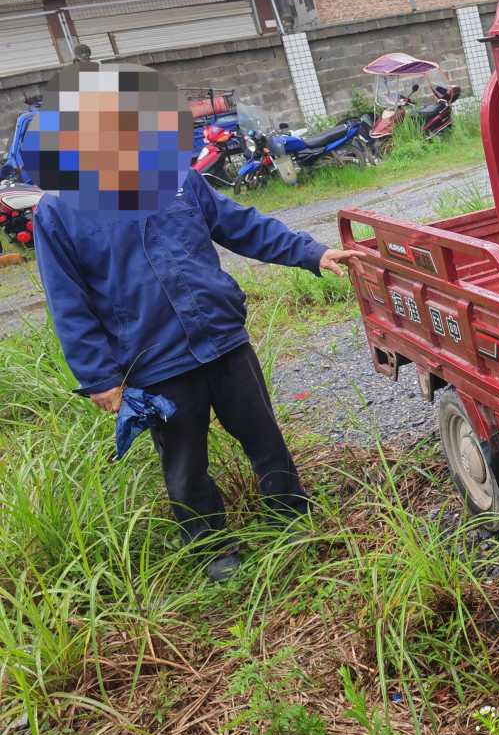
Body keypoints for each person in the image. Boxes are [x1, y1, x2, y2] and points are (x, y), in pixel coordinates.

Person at [30, 62, 357, 582]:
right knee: (184, 462)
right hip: (154, 361)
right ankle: (211, 550)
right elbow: (67, 300)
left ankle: (293, 521)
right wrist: (99, 375)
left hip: (222, 339)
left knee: (263, 436)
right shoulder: (59, 212)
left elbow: (241, 226)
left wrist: (312, 254)